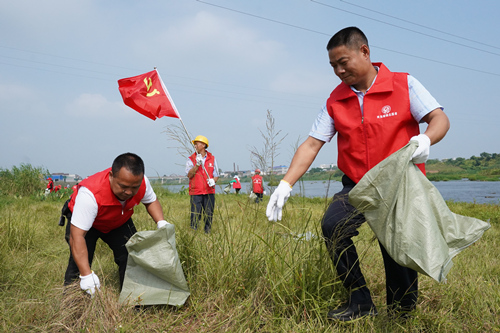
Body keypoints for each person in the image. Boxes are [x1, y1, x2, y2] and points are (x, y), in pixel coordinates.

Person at [266, 27, 450, 322]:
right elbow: (313, 143)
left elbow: (438, 117)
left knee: (395, 249)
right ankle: (360, 300)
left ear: (364, 51)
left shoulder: (403, 84)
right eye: (333, 66)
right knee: (332, 227)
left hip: (398, 183)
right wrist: (285, 184)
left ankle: (401, 315)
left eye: (343, 62)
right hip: (357, 183)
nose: (339, 70)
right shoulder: (336, 100)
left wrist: (426, 139)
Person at [63, 153, 169, 295]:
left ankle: (132, 299)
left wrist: (161, 222)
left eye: (134, 187)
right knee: (79, 266)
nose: (129, 192)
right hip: (88, 224)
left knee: (132, 256)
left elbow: (151, 201)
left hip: (118, 220)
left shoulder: (141, 182)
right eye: (123, 186)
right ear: (111, 176)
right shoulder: (90, 194)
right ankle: (73, 304)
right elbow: (77, 237)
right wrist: (86, 275)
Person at [186, 135, 219, 233]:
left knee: (209, 214)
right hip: (196, 192)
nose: (195, 146)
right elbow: (189, 175)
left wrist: (214, 180)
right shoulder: (191, 159)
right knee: (195, 215)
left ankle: (207, 233)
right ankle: (194, 234)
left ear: (204, 145)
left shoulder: (212, 158)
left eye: (197, 144)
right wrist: (197, 165)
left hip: (209, 191)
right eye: (194, 144)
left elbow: (216, 174)